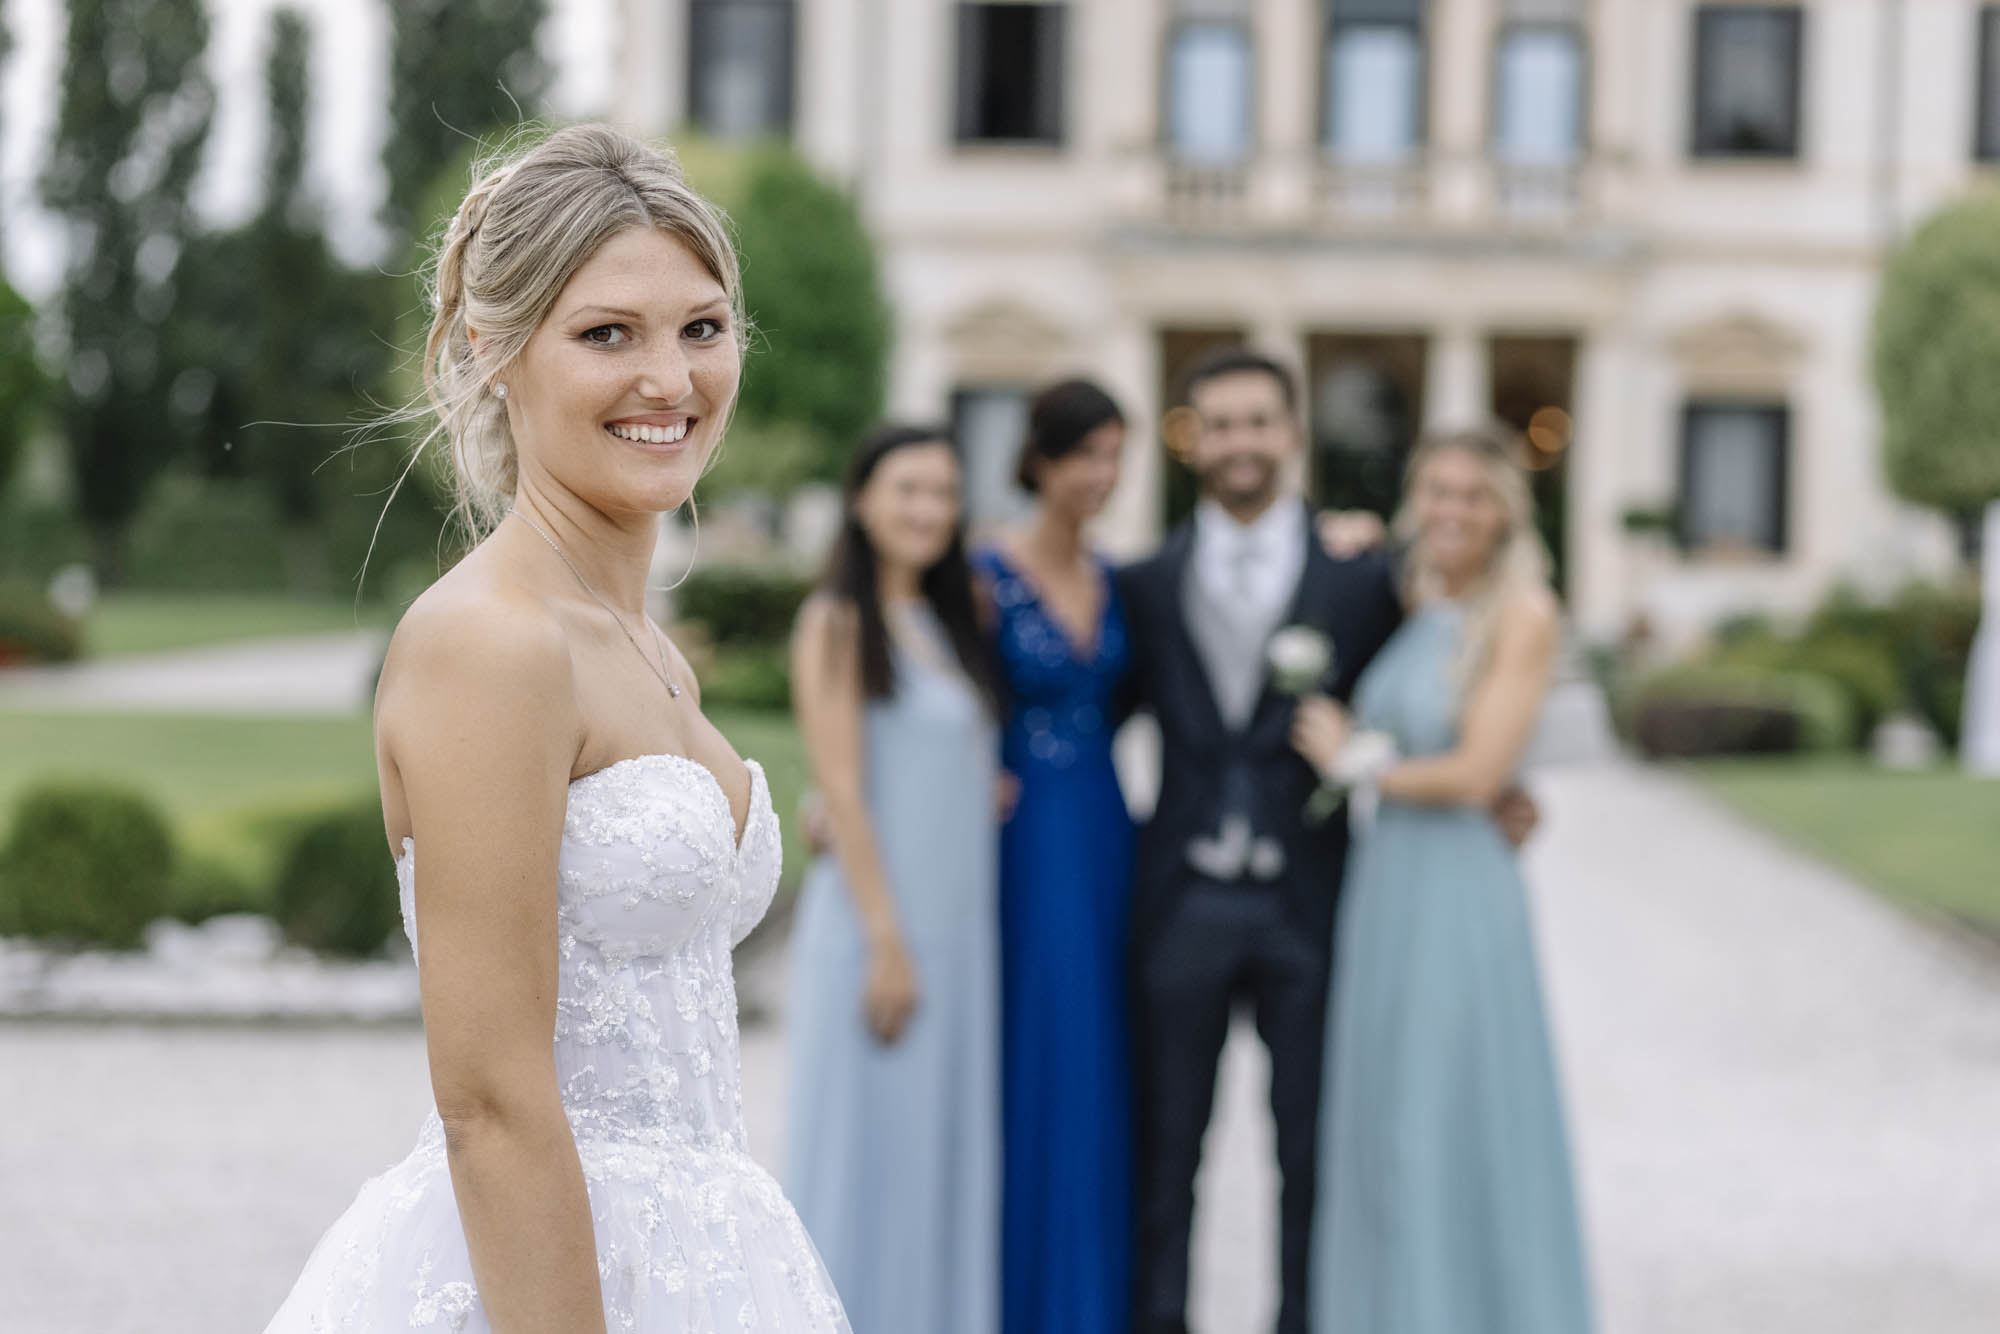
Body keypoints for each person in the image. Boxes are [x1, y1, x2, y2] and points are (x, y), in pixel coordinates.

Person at [263, 126, 846, 1331]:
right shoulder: (490, 641)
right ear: (493, 352)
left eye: (701, 327)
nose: (670, 380)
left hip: (706, 1256)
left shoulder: (643, 645)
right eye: (606, 334)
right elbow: (489, 1101)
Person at [1118, 348, 1406, 1334]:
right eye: (1221, 424)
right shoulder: (1146, 581)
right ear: (1193, 439)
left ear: (1291, 434)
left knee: (1311, 1154)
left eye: (1257, 421)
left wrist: (1496, 789)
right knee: (1165, 1153)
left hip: (1309, 903)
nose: (1240, 441)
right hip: (1181, 904)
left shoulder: (1360, 576)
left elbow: (1434, 687)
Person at [1294, 427, 1593, 1334]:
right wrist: (1336, 538)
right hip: (1389, 884)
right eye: (1437, 490)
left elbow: (1477, 773)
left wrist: (1354, 762)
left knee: (1454, 1109)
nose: (1452, 510)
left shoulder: (1523, 613)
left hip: (1460, 889)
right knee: (1388, 1116)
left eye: (1473, 494)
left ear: (1505, 510)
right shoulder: (1417, 595)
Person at [784, 424, 1004, 1334]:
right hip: (880, 934)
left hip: (958, 935)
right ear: (862, 500)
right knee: (867, 1163)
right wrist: (886, 946)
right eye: (908, 489)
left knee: (936, 1167)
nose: (928, 509)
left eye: (944, 492)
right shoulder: (835, 624)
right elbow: (840, 790)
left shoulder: (953, 621)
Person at [970, 379, 1135, 1334]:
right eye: (1083, 455)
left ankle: (1094, 1296)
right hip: (1025, 836)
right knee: (1041, 1043)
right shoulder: (983, 572)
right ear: (1039, 458)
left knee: (1106, 1053)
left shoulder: (1117, 578)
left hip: (1106, 826)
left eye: (1114, 456)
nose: (1100, 475)